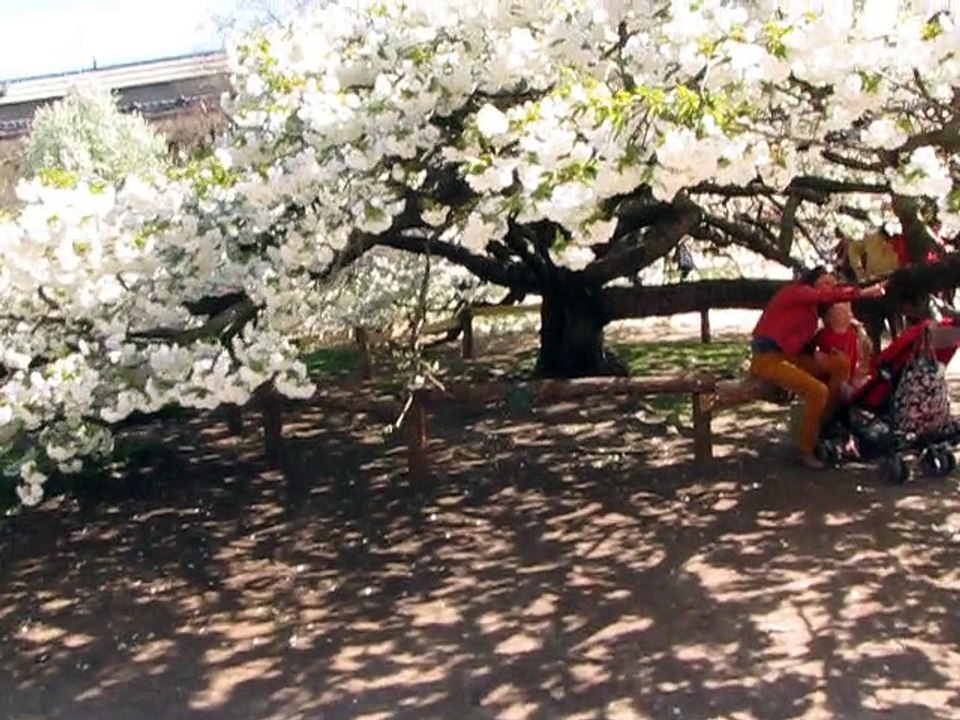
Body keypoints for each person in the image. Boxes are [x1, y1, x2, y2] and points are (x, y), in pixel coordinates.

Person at [750, 267, 885, 469]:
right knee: (817, 391)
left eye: (833, 282)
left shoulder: (814, 316)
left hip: (791, 357)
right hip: (767, 358)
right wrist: (863, 292)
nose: (831, 287)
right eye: (826, 282)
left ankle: (822, 423)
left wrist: (816, 356)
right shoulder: (797, 292)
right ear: (813, 282)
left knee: (841, 364)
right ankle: (806, 449)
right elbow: (827, 296)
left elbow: (799, 344)